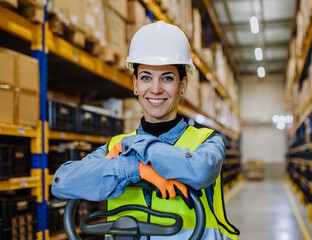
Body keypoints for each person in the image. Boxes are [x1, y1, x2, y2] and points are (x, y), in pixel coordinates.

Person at [52, 20, 239, 240]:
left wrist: (135, 146)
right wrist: (136, 168)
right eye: (146, 77)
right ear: (135, 85)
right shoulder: (115, 146)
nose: (156, 89)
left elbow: (199, 171)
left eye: (167, 78)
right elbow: (61, 182)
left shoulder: (206, 141)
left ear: (183, 86)